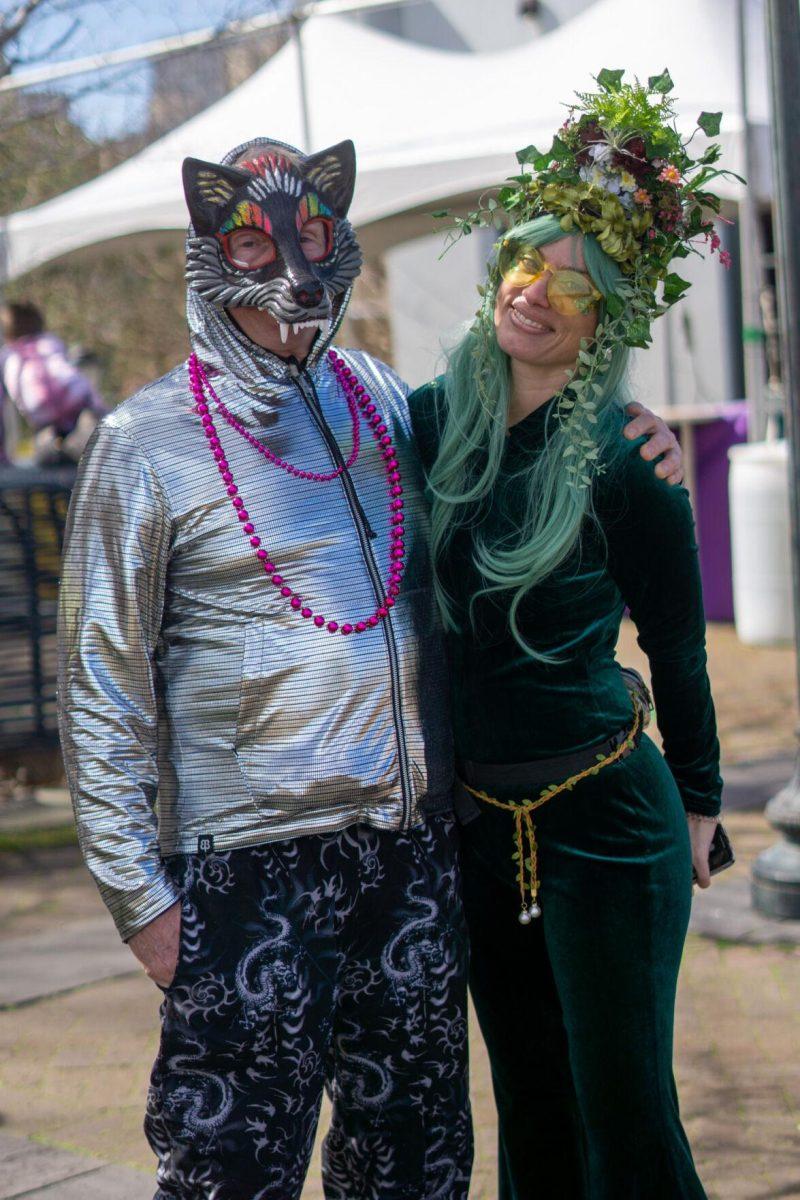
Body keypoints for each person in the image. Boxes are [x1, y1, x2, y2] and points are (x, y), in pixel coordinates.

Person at [57, 133, 681, 1200]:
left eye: (315, 230)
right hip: (244, 870)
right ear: (208, 241)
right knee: (231, 1170)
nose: (292, 261)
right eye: (257, 238)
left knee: (415, 1161)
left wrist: (632, 432)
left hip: (409, 859)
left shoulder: (386, 402)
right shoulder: (143, 438)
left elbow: (512, 435)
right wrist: (141, 900)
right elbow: (97, 677)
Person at [409, 72, 726, 1199]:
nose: (536, 292)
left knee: (626, 1125)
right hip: (478, 829)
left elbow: (678, 649)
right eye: (526, 262)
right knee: (530, 1115)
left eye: (574, 287)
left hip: (607, 822)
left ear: (607, 325)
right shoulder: (425, 422)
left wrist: (698, 803)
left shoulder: (623, 463)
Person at [0, 301, 106, 465]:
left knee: (50, 455)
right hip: (81, 407)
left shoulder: (9, 356)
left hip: (46, 421)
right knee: (94, 443)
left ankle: (61, 450)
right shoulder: (50, 342)